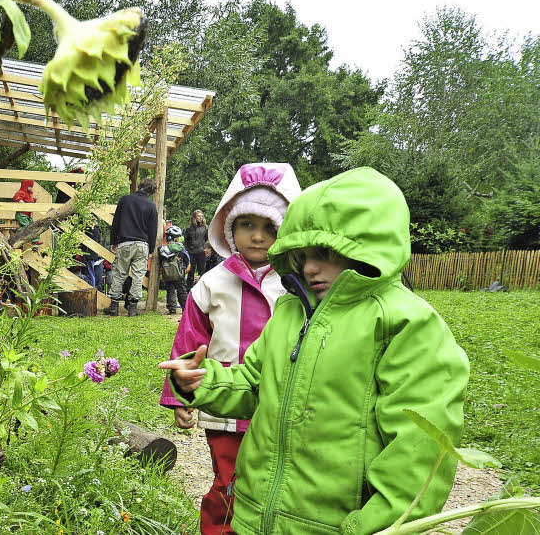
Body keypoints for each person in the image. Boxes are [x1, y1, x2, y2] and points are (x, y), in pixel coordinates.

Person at [160, 167, 469, 535]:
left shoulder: (406, 324)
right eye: (302, 253)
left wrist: (372, 525)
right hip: (256, 519)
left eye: (324, 251)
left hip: (336, 525)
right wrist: (200, 383)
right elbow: (253, 384)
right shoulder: (291, 312)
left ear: (366, 245)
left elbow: (420, 447)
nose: (308, 267)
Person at [159, 162, 300, 535]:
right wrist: (180, 397)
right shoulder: (211, 284)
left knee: (277, 485)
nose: (258, 236)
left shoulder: (296, 285)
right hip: (225, 409)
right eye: (247, 224)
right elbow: (189, 341)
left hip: (280, 405)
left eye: (270, 227)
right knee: (228, 483)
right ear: (229, 229)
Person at [104, 177, 159, 317]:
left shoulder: (125, 200)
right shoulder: (151, 206)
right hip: (142, 245)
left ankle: (114, 306)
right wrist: (151, 250)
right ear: (151, 191)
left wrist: (113, 241)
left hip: (124, 243)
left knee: (119, 274)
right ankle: (133, 308)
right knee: (138, 276)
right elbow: (153, 231)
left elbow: (115, 222)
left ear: (140, 185)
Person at [160, 225, 190, 314]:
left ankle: (172, 308)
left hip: (168, 273)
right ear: (176, 238)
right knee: (182, 290)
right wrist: (186, 266)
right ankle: (184, 308)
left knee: (170, 290)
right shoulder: (180, 247)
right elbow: (186, 258)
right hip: (179, 272)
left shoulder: (162, 249)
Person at [184, 210, 208, 288]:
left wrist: (205, 250)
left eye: (202, 216)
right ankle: (189, 291)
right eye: (199, 216)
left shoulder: (205, 227)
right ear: (194, 217)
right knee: (190, 273)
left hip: (202, 253)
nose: (201, 218)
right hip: (191, 253)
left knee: (202, 272)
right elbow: (186, 241)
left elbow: (207, 240)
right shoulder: (189, 228)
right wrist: (188, 250)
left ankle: (202, 289)